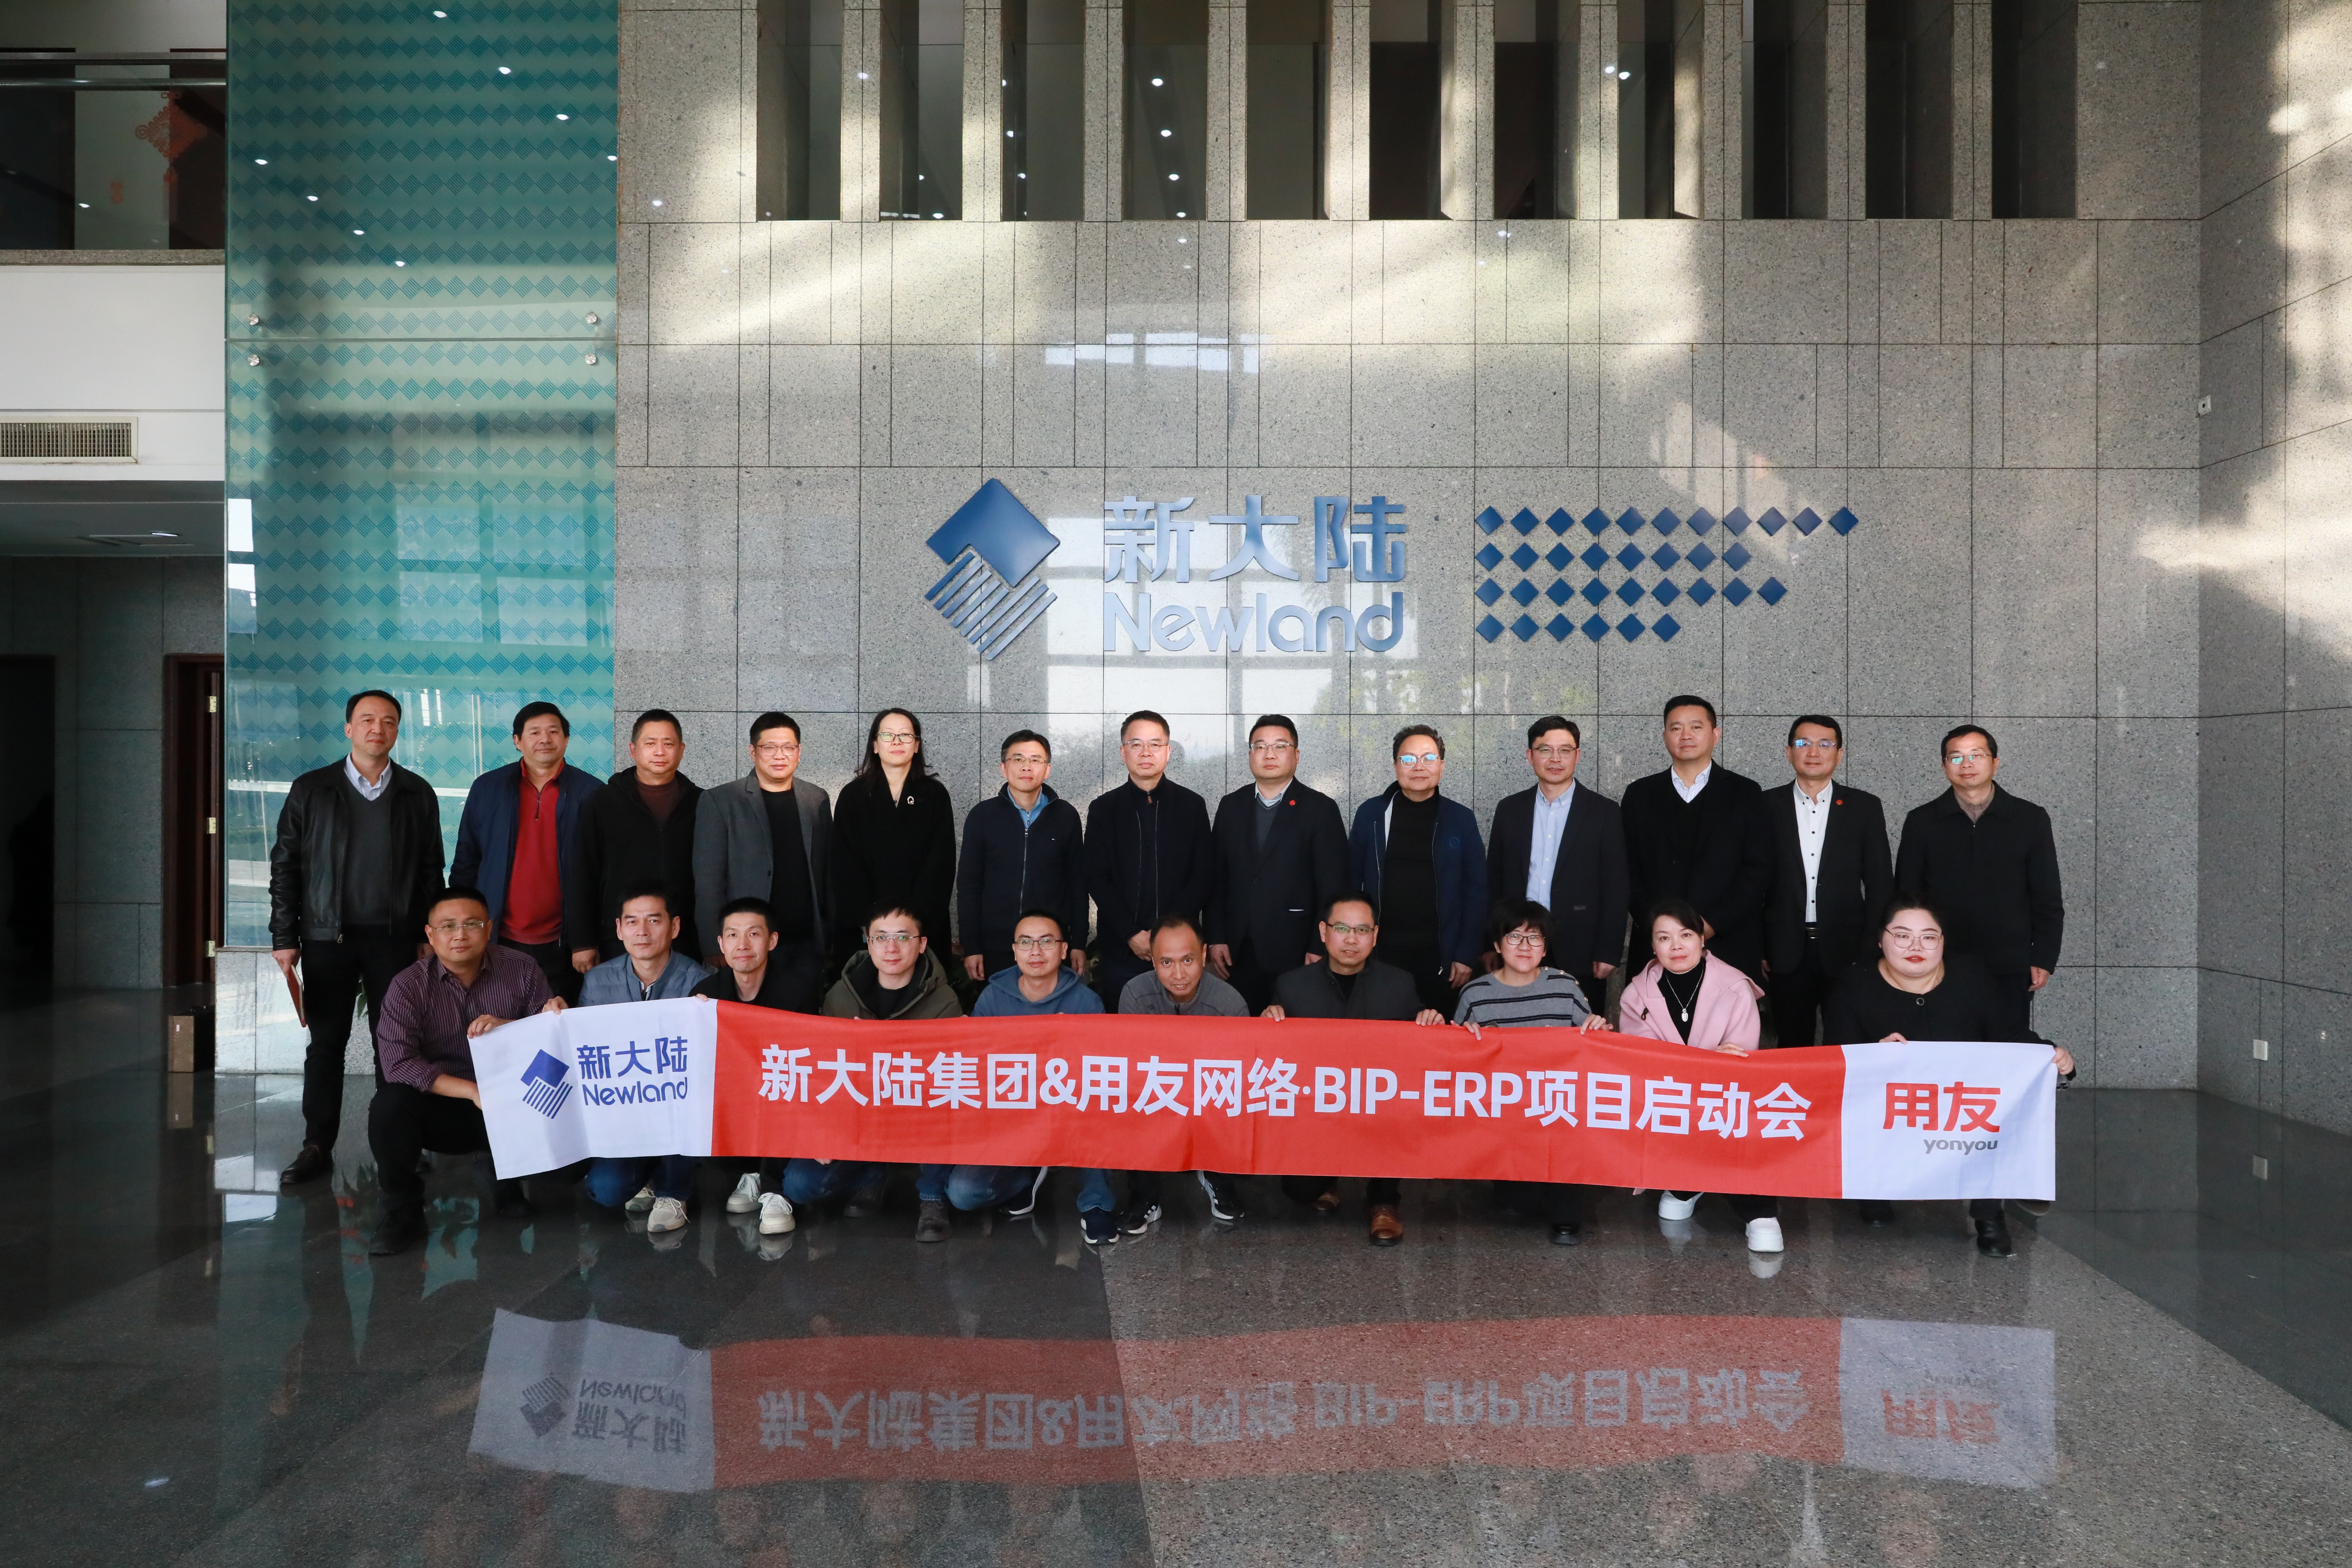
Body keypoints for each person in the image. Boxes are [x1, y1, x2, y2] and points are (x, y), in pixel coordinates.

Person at [1822, 899, 2076, 1256]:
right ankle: (1874, 1190)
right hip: (1890, 1106)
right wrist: (1873, 1054)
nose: (1916, 946)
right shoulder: (1855, 983)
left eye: (1929, 937)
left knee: (1996, 1110)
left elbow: (2008, 1035)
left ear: (1943, 942)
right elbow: (1835, 1057)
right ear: (1881, 940)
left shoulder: (1971, 975)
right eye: (1902, 936)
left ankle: (1989, 1214)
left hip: (1959, 1104)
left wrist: (2051, 1056)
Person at [270, 689, 447, 1186]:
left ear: (397, 731)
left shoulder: (416, 792)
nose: (377, 729)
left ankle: (399, 1142)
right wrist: (285, 935)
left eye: (388, 721)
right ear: (349, 728)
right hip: (327, 937)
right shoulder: (312, 789)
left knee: (395, 1043)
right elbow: (286, 865)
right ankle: (316, 1145)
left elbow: (431, 870)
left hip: (395, 939)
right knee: (326, 1043)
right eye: (367, 720)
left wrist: (430, 933)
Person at [364, 887, 563, 1255]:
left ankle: (504, 1178)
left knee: (568, 1166)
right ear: (430, 934)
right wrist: (472, 1091)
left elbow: (551, 1041)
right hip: (443, 1103)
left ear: (489, 928)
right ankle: (404, 1213)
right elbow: (399, 1063)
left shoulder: (522, 970)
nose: (460, 935)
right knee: (389, 1106)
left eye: (472, 924)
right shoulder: (407, 986)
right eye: (448, 926)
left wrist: (528, 1022)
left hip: (511, 1098)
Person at [1262, 892, 1446, 1245]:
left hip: (1379, 1106)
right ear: (1323, 932)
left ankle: (1384, 1202)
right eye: (1342, 928)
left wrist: (1430, 1021)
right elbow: (1274, 1056)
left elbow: (1421, 1046)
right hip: (1318, 1109)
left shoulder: (1399, 983)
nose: (1351, 939)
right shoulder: (1292, 985)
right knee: (1299, 1190)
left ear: (1375, 936)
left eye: (1362, 930)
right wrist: (1269, 1021)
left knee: (1399, 1110)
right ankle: (1328, 1179)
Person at [780, 903, 962, 1240]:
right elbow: (820, 1071)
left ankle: (932, 1195)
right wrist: (820, 1133)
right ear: (868, 941)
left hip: (919, 1116)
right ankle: (872, 1174)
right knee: (799, 1185)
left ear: (922, 944)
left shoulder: (944, 1001)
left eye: (903, 937)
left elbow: (948, 1079)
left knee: (948, 1098)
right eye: (881, 937)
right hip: (856, 1116)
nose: (891, 948)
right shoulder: (841, 996)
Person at [1616, 898, 1782, 1254]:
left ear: (1702, 939)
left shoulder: (1734, 985)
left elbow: (1741, 1055)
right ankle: (1687, 1183)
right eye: (1664, 938)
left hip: (1725, 1095)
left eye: (1686, 935)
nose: (1676, 946)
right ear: (1653, 946)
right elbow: (1641, 1061)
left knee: (1738, 1116)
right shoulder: (1635, 995)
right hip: (1671, 1099)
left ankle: (1759, 1209)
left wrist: (1708, 1067)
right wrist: (1704, 1063)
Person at [1451, 898, 1609, 1246]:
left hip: (1556, 1110)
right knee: (1516, 1203)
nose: (1525, 946)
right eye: (1515, 937)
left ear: (1546, 947)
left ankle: (1566, 1216)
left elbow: (1594, 1049)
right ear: (1497, 945)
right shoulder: (1475, 994)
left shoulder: (1565, 987)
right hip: (1504, 1115)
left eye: (1535, 938)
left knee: (1564, 1168)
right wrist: (1464, 1039)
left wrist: (1599, 1030)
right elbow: (1455, 1063)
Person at [1893, 725, 2064, 1040]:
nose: (1967, 765)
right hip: (1940, 960)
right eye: (1956, 758)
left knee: (2006, 1046)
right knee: (1944, 1046)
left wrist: (2043, 957)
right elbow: (1907, 895)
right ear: (1945, 766)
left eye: (1977, 755)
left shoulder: (2029, 819)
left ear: (1995, 763)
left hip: (2010, 962)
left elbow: (2047, 896)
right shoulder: (1922, 821)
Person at [575, 881, 711, 1234]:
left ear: (675, 927)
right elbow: (585, 1050)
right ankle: (646, 1178)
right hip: (625, 1112)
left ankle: (674, 1191)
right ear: (619, 929)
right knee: (606, 1191)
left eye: (654, 920)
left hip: (678, 1111)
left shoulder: (701, 981)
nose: (643, 931)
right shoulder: (598, 981)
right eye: (632, 922)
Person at [451, 700, 602, 1004]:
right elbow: (467, 863)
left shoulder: (593, 793)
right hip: (498, 938)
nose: (545, 739)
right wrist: (462, 928)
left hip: (564, 945)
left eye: (553, 732)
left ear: (567, 739)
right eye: (534, 732)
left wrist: (585, 940)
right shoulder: (488, 788)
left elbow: (602, 875)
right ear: (517, 741)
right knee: (499, 1022)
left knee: (558, 1024)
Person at [967, 910, 1107, 1239]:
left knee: (1100, 1105)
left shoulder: (1087, 1003)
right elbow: (976, 1066)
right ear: (1014, 951)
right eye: (1026, 942)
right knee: (965, 1193)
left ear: (1063, 950)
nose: (1035, 951)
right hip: (1009, 1115)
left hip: (1070, 1111)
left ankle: (1097, 1202)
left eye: (1046, 942)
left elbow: (1098, 1074)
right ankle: (1028, 1174)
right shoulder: (992, 998)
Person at [1618, 695, 1771, 983]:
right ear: (1665, 737)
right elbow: (1626, 869)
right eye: (1676, 728)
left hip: (1728, 944)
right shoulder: (1640, 795)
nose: (1685, 735)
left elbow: (1757, 870)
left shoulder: (1745, 794)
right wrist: (1660, 926)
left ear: (1716, 734)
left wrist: (1712, 924)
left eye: (1696, 727)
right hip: (1656, 947)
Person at [1205, 714, 1350, 1014]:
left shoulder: (1320, 809)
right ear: (1250, 755)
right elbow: (1217, 879)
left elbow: (1333, 887)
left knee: (1292, 1032)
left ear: (1296, 755)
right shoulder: (1231, 806)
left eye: (1280, 746)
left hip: (1296, 950)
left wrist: (1320, 945)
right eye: (1260, 747)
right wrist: (1216, 937)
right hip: (1237, 951)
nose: (1269, 754)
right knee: (1242, 1029)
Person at [1761, 715, 1891, 1046]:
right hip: (1784, 949)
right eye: (1803, 744)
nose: (1813, 752)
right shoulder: (1765, 806)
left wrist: (1872, 946)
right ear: (1788, 752)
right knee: (1792, 1046)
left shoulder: (1864, 807)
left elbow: (1880, 884)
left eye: (1825, 744)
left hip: (1848, 950)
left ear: (1840, 754)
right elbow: (1752, 883)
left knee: (1849, 1043)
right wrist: (1760, 948)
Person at [1483, 716, 1629, 1009]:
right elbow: (1494, 881)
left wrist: (1608, 950)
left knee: (1577, 1028)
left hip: (1581, 948)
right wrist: (1490, 944)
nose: (1555, 759)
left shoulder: (1604, 812)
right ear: (1530, 756)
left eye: (1565, 750)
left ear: (1578, 755)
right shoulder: (1510, 810)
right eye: (1545, 750)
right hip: (1517, 943)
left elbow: (1616, 885)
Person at [1116, 914, 1250, 1227]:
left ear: (1204, 954)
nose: (1178, 974)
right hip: (1155, 1090)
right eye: (1166, 963)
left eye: (1188, 960)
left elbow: (1237, 1078)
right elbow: (1131, 1066)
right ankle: (1145, 1197)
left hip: (1208, 1095)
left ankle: (1218, 1177)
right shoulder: (1135, 993)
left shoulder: (1230, 1004)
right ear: (1153, 960)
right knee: (1130, 1099)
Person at [692, 711, 831, 1009]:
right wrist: (713, 943)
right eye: (770, 748)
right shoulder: (721, 801)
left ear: (799, 752)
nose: (780, 756)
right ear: (753, 752)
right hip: (748, 945)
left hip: (805, 942)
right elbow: (708, 880)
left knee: (801, 1022)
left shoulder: (816, 799)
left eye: (788, 747)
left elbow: (825, 872)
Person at [1348, 724, 1488, 1016]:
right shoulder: (1371, 815)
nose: (1419, 767)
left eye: (1429, 758)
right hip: (1382, 953)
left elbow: (1476, 892)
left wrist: (1466, 954)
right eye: (1409, 759)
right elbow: (1350, 884)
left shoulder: (1460, 819)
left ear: (1442, 766)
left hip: (1441, 956)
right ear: (1396, 766)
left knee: (1437, 1032)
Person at [691, 896, 805, 1237]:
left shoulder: (797, 991)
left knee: (785, 1085)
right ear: (721, 944)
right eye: (733, 935)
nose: (742, 945)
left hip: (781, 1094)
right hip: (735, 1099)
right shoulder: (705, 994)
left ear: (772, 940)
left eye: (754, 934)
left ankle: (773, 1187)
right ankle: (751, 1174)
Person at [1085, 709, 1214, 1005]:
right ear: (1123, 752)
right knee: (1125, 1028)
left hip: (1180, 951)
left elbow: (1203, 875)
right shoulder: (1104, 809)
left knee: (1182, 1027)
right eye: (1136, 744)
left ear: (1168, 752)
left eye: (1155, 744)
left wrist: (1167, 936)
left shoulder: (1192, 806)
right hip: (1122, 949)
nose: (1146, 752)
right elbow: (1096, 877)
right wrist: (1131, 934)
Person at [567, 709, 706, 969]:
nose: (660, 752)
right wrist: (583, 942)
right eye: (650, 743)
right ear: (633, 750)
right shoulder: (602, 802)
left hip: (685, 939)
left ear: (682, 750)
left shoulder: (702, 803)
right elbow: (582, 873)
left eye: (668, 744)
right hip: (619, 938)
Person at [957, 730, 1087, 982]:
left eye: (1036, 760)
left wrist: (1079, 943)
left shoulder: (1066, 816)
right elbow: (969, 885)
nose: (1027, 767)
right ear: (1003, 768)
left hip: (1050, 945)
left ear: (1047, 770)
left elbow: (1078, 884)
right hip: (995, 945)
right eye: (1018, 759)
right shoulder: (982, 816)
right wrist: (971, 946)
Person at [830, 708, 957, 965]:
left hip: (922, 929)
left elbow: (940, 864)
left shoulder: (934, 795)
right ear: (875, 745)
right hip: (866, 931)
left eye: (906, 736)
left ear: (917, 745)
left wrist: (914, 925)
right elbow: (845, 865)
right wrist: (871, 924)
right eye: (888, 736)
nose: (897, 742)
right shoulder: (853, 796)